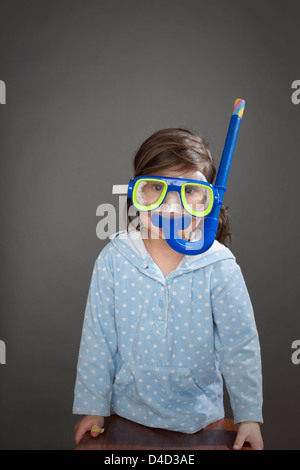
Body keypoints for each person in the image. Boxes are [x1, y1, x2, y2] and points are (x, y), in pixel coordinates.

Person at [73, 128, 263, 450]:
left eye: (189, 191)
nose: (171, 208)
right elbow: (98, 340)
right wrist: (93, 409)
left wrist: (249, 417)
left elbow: (239, 346)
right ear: (137, 193)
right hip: (127, 419)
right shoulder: (115, 260)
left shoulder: (218, 265)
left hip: (201, 423)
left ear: (209, 199)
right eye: (156, 188)